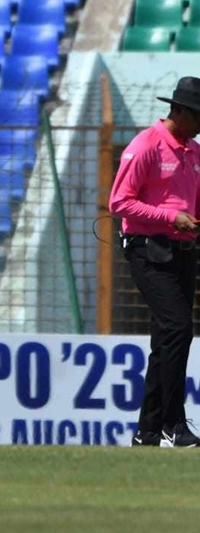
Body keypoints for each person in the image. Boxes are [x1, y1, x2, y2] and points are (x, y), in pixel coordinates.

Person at [109, 77, 200, 449]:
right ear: (178, 111)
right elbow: (119, 202)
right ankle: (172, 424)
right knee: (178, 328)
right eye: (197, 116)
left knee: (166, 337)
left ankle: (146, 432)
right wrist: (170, 217)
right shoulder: (145, 145)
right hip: (148, 250)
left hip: (184, 252)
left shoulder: (193, 152)